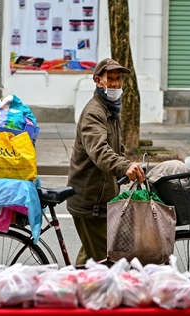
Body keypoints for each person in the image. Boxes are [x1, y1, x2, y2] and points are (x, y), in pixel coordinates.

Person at [66, 58, 145, 265]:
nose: (116, 84)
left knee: (90, 259)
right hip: (90, 201)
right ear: (98, 81)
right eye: (110, 79)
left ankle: (73, 290)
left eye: (119, 79)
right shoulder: (95, 112)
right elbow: (100, 151)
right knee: (109, 264)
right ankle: (90, 293)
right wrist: (124, 166)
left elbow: (114, 150)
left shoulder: (111, 109)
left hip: (101, 198)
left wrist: (126, 167)